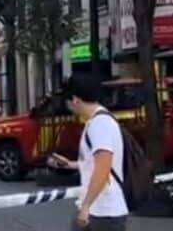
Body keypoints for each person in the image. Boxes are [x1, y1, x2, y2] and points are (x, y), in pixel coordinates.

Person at [49, 74, 128, 231]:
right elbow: (97, 163)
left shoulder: (100, 124)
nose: (67, 106)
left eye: (67, 101)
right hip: (101, 211)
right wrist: (71, 164)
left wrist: (86, 206)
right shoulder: (97, 121)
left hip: (103, 212)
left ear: (75, 100)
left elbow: (103, 167)